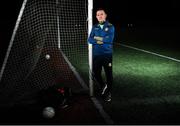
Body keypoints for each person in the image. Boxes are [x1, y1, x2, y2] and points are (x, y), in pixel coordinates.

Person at [88, 8, 115, 102]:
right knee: (96, 73)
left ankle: (108, 93)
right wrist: (102, 39)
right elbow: (89, 40)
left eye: (101, 14)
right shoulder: (94, 27)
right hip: (96, 55)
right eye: (98, 14)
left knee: (108, 74)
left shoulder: (110, 26)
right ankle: (103, 85)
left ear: (105, 15)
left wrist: (96, 38)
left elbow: (109, 40)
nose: (99, 16)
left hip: (107, 55)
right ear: (96, 16)